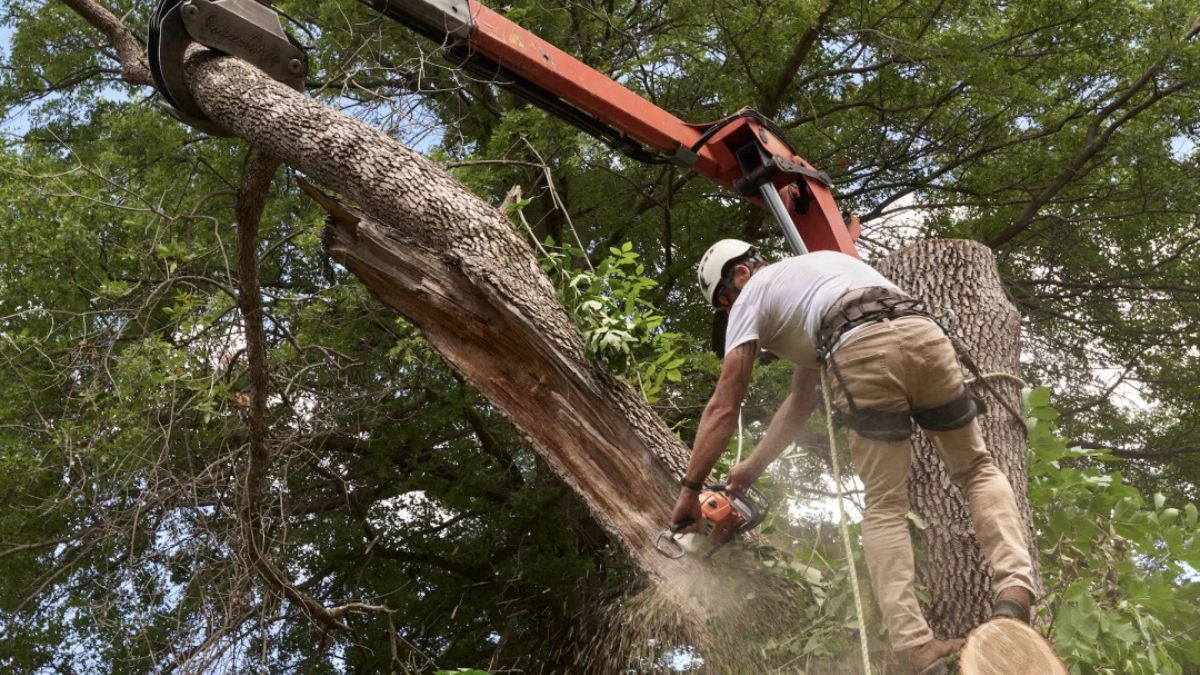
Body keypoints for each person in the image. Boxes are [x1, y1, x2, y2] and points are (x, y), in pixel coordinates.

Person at [670, 240, 1037, 675]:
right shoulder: (818, 276)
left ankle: (916, 648)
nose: (731, 313)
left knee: (885, 505)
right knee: (977, 468)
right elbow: (800, 403)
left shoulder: (754, 292)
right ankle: (1015, 590)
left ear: (741, 275)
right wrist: (751, 469)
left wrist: (690, 490)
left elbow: (725, 404)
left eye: (725, 303)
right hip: (924, 333)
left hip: (859, 347)